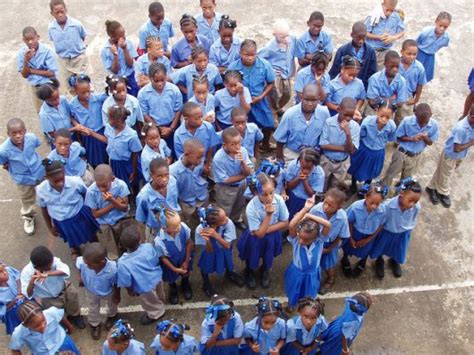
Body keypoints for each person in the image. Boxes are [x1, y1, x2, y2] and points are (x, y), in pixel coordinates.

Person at [36, 160, 99, 258]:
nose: (60, 183)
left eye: (62, 179)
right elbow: (43, 208)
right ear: (46, 178)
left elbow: (86, 194)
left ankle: (95, 244)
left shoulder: (75, 181)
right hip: (62, 221)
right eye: (56, 181)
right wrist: (50, 227)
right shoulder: (41, 190)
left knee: (90, 232)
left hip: (80, 214)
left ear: (64, 173)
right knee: (70, 236)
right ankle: (74, 248)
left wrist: (91, 212)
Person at [237, 173, 289, 289]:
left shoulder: (279, 200)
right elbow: (259, 235)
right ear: (255, 193)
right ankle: (249, 271)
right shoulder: (251, 207)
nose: (269, 197)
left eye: (271, 192)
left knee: (268, 255)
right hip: (254, 239)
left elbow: (285, 222)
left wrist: (263, 229)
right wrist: (269, 216)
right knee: (252, 255)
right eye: (264, 194)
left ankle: (265, 270)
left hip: (271, 236)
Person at [20, 245, 84, 329]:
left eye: (51, 265)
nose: (50, 267)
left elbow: (65, 270)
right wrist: (32, 282)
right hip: (49, 299)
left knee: (73, 303)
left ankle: (75, 316)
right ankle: (64, 323)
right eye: (47, 268)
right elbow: (28, 294)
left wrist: (47, 274)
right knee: (56, 313)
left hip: (65, 289)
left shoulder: (52, 260)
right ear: (37, 267)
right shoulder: (27, 272)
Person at [228, 39, 276, 150]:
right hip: (241, 102)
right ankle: (248, 147)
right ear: (240, 53)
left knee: (269, 123)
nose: (250, 57)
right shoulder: (233, 67)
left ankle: (265, 144)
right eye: (246, 55)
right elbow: (228, 85)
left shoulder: (264, 65)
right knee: (245, 125)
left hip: (259, 100)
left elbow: (271, 83)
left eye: (253, 54)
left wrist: (261, 96)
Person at [0, 118, 45, 235]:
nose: (18, 136)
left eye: (20, 132)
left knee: (46, 190)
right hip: (23, 179)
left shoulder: (31, 138)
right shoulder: (4, 150)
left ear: (25, 131)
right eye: (14, 133)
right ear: (8, 134)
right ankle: (29, 217)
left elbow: (36, 146)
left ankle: (52, 209)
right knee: (27, 199)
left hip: (39, 171)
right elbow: (4, 163)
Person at [370, 178, 421, 278]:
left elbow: (413, 219)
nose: (412, 204)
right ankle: (379, 260)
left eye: (416, 201)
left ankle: (394, 260)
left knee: (399, 249)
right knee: (381, 248)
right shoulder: (387, 206)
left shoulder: (416, 207)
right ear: (401, 193)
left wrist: (407, 230)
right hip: (387, 232)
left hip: (403, 233)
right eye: (410, 200)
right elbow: (381, 220)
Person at [285, 202, 331, 309]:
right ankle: (290, 306)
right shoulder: (296, 241)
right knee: (293, 291)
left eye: (306, 239)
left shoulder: (319, 241)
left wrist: (309, 216)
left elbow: (328, 225)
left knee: (310, 294)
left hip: (312, 274)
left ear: (315, 238)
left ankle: (306, 307)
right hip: (297, 272)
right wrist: (305, 209)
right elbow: (291, 225)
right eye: (300, 236)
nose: (301, 241)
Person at [426, 105, 474, 208]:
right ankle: (443, 192)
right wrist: (472, 142)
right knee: (446, 175)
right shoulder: (461, 128)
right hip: (452, 155)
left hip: (461, 154)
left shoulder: (472, 125)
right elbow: (456, 148)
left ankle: (432, 186)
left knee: (442, 172)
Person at [117, 225, 166, 325]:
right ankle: (161, 300)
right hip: (156, 277)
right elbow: (156, 260)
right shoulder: (148, 247)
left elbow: (126, 281)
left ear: (123, 245)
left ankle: (156, 313)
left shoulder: (122, 263)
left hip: (143, 287)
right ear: (139, 240)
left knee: (149, 301)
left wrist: (130, 291)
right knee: (159, 292)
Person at [382, 103, 439, 187]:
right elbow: (398, 137)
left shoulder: (434, 125)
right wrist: (412, 138)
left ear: (431, 115)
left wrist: (425, 137)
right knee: (390, 174)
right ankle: (383, 192)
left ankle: (399, 196)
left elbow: (430, 142)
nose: (422, 125)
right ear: (415, 114)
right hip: (401, 154)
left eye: (425, 122)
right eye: (420, 121)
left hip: (415, 157)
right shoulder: (407, 121)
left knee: (406, 180)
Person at [308, 186, 350, 295]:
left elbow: (341, 235)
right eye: (325, 202)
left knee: (328, 265)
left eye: (331, 205)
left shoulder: (342, 217)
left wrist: (329, 249)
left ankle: (330, 279)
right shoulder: (316, 209)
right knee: (312, 262)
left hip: (330, 244)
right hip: (315, 241)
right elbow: (308, 225)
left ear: (339, 207)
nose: (326, 207)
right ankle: (312, 281)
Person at [195, 206, 244, 296]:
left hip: (224, 249)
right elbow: (209, 250)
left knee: (227, 262)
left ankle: (229, 274)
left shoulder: (228, 223)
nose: (227, 219)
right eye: (223, 220)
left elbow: (227, 246)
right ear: (214, 225)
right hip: (209, 252)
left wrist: (216, 235)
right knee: (206, 266)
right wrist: (208, 240)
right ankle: (206, 284)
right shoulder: (200, 229)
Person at [341, 183, 388, 278]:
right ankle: (345, 260)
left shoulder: (383, 211)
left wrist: (368, 239)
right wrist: (350, 238)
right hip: (354, 233)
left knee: (365, 251)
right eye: (372, 203)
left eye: (377, 204)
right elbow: (349, 222)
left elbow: (381, 225)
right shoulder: (356, 207)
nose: (374, 206)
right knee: (348, 247)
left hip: (369, 236)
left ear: (382, 201)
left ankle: (362, 262)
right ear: (366, 197)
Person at [85, 164, 130, 260]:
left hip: (120, 219)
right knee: (110, 250)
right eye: (98, 185)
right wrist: (114, 202)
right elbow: (95, 214)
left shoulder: (121, 185)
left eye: (105, 186)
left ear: (113, 179)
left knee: (125, 242)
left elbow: (125, 208)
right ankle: (114, 261)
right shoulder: (91, 192)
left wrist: (111, 200)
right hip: (104, 223)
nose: (102, 189)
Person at [348, 101, 396, 191]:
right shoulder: (367, 121)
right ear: (377, 111)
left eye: (387, 117)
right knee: (356, 166)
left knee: (371, 170)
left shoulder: (392, 126)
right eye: (382, 116)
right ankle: (353, 184)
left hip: (377, 152)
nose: (384, 119)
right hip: (364, 149)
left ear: (392, 116)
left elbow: (390, 138)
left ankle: (365, 188)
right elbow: (361, 134)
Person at [274, 84, 329, 162]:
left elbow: (325, 135)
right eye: (306, 100)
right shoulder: (290, 114)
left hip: (312, 154)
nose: (310, 104)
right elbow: (280, 139)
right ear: (301, 97)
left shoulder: (324, 113)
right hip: (292, 154)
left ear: (319, 99)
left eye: (313, 100)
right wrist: (280, 158)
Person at [76, 243, 119, 340]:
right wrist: (80, 277)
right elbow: (78, 265)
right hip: (90, 290)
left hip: (107, 291)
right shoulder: (84, 261)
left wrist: (117, 295)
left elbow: (116, 283)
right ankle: (94, 324)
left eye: (89, 264)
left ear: (101, 262)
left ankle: (112, 315)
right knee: (93, 308)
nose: (86, 265)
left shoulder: (113, 269)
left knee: (112, 304)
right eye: (85, 262)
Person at [212, 127, 254, 228]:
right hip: (226, 189)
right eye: (233, 144)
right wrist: (243, 176)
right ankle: (223, 225)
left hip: (241, 184)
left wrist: (242, 162)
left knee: (239, 204)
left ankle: (236, 220)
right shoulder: (218, 158)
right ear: (225, 145)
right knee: (225, 208)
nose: (237, 147)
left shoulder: (242, 151)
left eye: (239, 143)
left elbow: (249, 171)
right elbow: (225, 180)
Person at [138, 62, 183, 150]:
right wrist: (157, 128)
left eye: (162, 80)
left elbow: (178, 110)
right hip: (154, 128)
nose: (160, 83)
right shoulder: (143, 94)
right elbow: (144, 113)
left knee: (174, 150)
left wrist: (171, 128)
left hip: (172, 125)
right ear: (150, 78)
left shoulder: (174, 90)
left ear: (166, 76)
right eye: (156, 81)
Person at [96, 106, 142, 191]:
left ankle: (132, 199)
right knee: (117, 185)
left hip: (125, 164)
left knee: (129, 183)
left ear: (118, 121)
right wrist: (92, 133)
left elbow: (134, 154)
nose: (108, 121)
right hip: (113, 162)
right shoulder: (109, 128)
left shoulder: (131, 135)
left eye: (110, 119)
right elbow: (108, 140)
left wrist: (133, 171)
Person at [259, 19, 297, 121]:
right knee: (275, 95)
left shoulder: (292, 40)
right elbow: (259, 58)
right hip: (276, 75)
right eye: (282, 37)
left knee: (287, 94)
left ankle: (278, 107)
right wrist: (269, 68)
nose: (286, 39)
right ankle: (273, 112)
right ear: (274, 34)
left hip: (287, 73)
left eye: (287, 35)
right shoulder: (270, 47)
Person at [319, 97, 360, 190]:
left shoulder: (355, 127)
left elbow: (351, 150)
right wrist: (344, 149)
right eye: (345, 115)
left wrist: (348, 133)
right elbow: (323, 145)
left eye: (351, 116)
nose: (348, 118)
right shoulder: (329, 122)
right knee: (321, 184)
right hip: (327, 161)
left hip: (342, 163)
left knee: (335, 186)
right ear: (338, 109)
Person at [9, 301, 80, 355]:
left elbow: (61, 317)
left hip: (62, 343)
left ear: (43, 313)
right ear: (26, 325)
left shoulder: (52, 312)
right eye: (37, 326)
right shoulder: (18, 333)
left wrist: (70, 327)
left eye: (44, 320)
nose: (43, 326)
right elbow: (15, 349)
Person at [154, 209, 194, 304]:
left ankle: (185, 283)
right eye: (175, 227)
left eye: (179, 223)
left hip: (184, 257)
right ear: (164, 228)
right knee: (171, 277)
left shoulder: (183, 227)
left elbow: (189, 243)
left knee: (186, 272)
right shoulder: (159, 242)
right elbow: (163, 258)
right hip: (171, 264)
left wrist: (186, 261)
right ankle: (173, 288)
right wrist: (175, 269)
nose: (179, 227)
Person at [48, 0, 88, 93]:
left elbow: (83, 36)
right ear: (52, 13)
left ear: (66, 10)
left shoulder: (76, 24)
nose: (60, 14)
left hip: (79, 58)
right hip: (64, 60)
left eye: (62, 11)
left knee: (84, 83)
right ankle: (76, 104)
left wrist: (81, 49)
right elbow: (53, 40)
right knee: (70, 86)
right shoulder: (51, 28)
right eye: (57, 12)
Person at [69, 73, 109, 167]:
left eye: (88, 91)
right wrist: (78, 126)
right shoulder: (72, 105)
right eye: (83, 92)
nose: (87, 95)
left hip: (101, 133)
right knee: (93, 160)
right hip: (87, 136)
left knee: (107, 157)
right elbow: (71, 117)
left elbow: (110, 97)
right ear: (75, 91)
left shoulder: (98, 98)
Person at [136, 157, 180, 240]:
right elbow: (140, 220)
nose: (164, 179)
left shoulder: (173, 182)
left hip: (174, 224)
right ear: (151, 175)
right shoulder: (143, 196)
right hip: (156, 231)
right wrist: (142, 240)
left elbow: (175, 200)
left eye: (166, 175)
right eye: (159, 176)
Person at [17, 26, 58, 112]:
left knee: (56, 108)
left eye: (32, 38)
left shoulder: (47, 51)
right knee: (41, 111)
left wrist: (31, 70)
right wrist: (26, 60)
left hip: (49, 85)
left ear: (38, 37)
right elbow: (24, 75)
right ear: (23, 40)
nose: (30, 42)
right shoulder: (22, 53)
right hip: (36, 87)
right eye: (27, 40)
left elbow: (51, 73)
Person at [170, 139, 208, 230]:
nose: (201, 160)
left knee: (204, 221)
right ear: (186, 154)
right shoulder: (173, 172)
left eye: (202, 157)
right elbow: (174, 195)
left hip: (202, 198)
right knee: (190, 225)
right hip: (186, 204)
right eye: (198, 157)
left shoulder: (198, 163)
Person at [329, 21, 377, 90]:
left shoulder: (370, 52)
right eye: (358, 38)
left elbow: (372, 74)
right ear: (352, 35)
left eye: (363, 38)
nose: (361, 41)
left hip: (362, 88)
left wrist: (365, 89)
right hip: (342, 87)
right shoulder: (342, 50)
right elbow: (334, 72)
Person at [284, 148, 325, 220]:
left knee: (299, 221)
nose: (305, 170)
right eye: (303, 167)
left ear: (314, 164)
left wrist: (305, 180)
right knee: (287, 218)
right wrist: (298, 179)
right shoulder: (293, 165)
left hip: (306, 202)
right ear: (299, 161)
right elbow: (289, 186)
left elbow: (311, 194)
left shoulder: (319, 173)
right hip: (292, 197)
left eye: (309, 168)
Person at [101, 20, 139, 96]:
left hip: (130, 76)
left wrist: (125, 49)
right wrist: (115, 55)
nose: (124, 37)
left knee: (134, 96)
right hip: (117, 80)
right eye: (121, 35)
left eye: (124, 33)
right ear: (112, 36)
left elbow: (130, 64)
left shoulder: (128, 43)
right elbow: (115, 71)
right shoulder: (105, 50)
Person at [364, 0, 405, 69]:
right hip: (371, 51)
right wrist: (379, 37)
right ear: (382, 5)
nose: (389, 13)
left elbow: (402, 32)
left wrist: (393, 38)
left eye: (392, 11)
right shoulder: (374, 16)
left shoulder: (396, 16)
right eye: (387, 10)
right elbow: (364, 32)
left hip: (386, 50)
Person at [396, 39, 427, 125]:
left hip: (408, 97)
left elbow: (420, 84)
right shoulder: (396, 63)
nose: (411, 57)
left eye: (414, 54)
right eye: (409, 54)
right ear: (402, 52)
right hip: (393, 94)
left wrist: (416, 99)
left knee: (403, 119)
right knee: (390, 115)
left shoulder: (419, 68)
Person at [36, 79, 76, 146]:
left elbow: (70, 115)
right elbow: (53, 134)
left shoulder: (63, 99)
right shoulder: (44, 114)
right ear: (45, 100)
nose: (57, 101)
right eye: (52, 100)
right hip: (61, 141)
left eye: (58, 97)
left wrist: (77, 125)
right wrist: (74, 129)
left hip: (73, 134)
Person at [416, 12, 452, 83]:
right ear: (436, 22)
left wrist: (432, 50)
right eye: (440, 25)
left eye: (445, 27)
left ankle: (418, 91)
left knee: (424, 77)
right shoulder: (426, 32)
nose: (442, 28)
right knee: (415, 72)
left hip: (430, 56)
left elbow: (442, 45)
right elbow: (415, 43)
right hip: (419, 53)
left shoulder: (446, 38)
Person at [0, 262, 23, 335]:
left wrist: (19, 291)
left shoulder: (9, 270)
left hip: (22, 301)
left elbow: (17, 276)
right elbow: (2, 310)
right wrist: (14, 301)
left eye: (5, 270)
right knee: (18, 330)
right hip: (12, 313)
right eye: (2, 272)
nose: (5, 273)